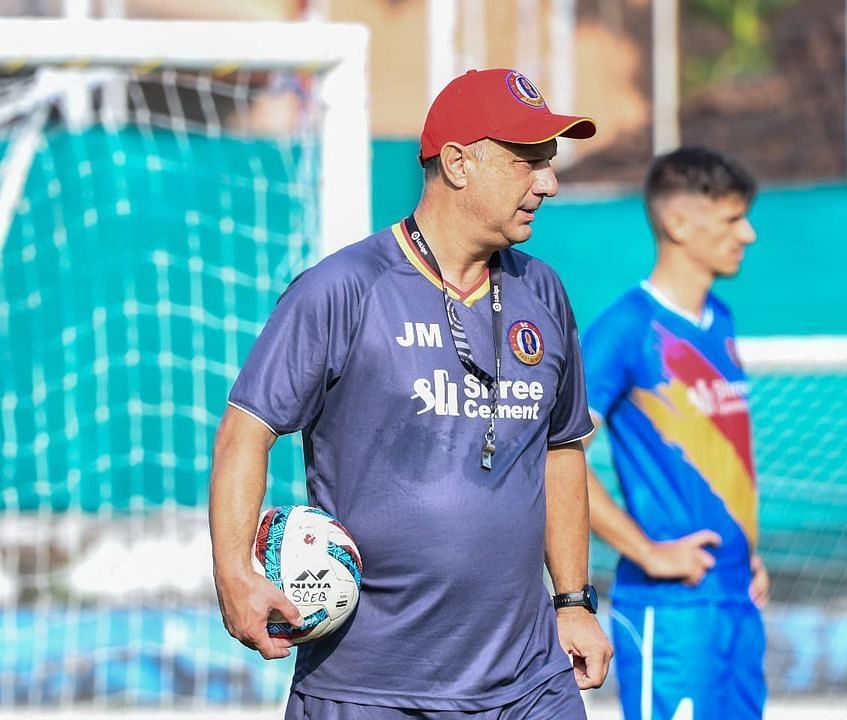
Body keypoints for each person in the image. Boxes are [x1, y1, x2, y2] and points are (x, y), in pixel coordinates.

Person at [209, 68, 612, 719]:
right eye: (527, 162)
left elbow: (561, 450)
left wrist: (572, 602)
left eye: (550, 162)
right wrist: (234, 573)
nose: (549, 183)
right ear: (457, 162)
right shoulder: (342, 289)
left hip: (530, 684)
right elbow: (243, 434)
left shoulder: (544, 291)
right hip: (369, 689)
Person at [582, 147, 770, 720]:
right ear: (679, 222)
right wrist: (646, 551)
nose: (750, 234)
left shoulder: (723, 319)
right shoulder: (624, 330)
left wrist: (749, 554)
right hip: (672, 610)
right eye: (733, 219)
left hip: (738, 599)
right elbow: (553, 460)